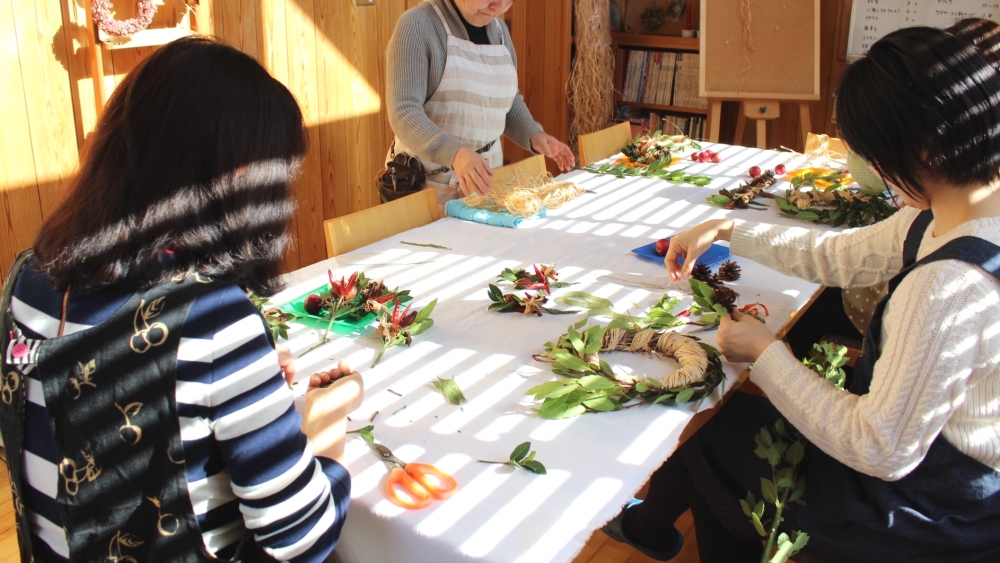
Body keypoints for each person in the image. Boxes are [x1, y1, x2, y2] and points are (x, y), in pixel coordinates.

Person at [602, 26, 1000, 562]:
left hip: (929, 510)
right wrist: (725, 230)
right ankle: (653, 530)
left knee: (710, 435)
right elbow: (837, 257)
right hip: (942, 472)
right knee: (722, 436)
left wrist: (765, 355)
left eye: (877, 158)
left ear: (923, 147)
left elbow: (880, 448)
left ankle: (663, 531)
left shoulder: (946, 285)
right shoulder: (949, 215)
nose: (879, 178)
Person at [0, 37, 363, 562]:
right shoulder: (214, 321)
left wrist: (217, 391)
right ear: (238, 178)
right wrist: (326, 422)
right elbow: (301, 539)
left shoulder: (25, 280)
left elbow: (83, 407)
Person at [385, 0, 576, 207]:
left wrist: (533, 134)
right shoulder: (417, 25)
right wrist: (455, 154)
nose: (499, 7)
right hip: (426, 182)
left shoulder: (500, 31)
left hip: (486, 177)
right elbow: (404, 113)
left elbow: (507, 98)